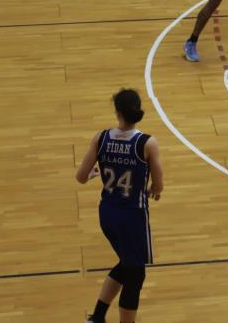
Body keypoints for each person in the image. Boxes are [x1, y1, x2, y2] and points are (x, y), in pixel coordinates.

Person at [76, 89, 164, 323]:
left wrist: (98, 172)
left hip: (107, 214)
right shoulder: (147, 143)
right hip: (132, 217)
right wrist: (153, 189)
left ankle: (97, 318)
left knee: (127, 264)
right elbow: (159, 184)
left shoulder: (101, 137)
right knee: (135, 275)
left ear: (117, 112)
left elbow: (81, 177)